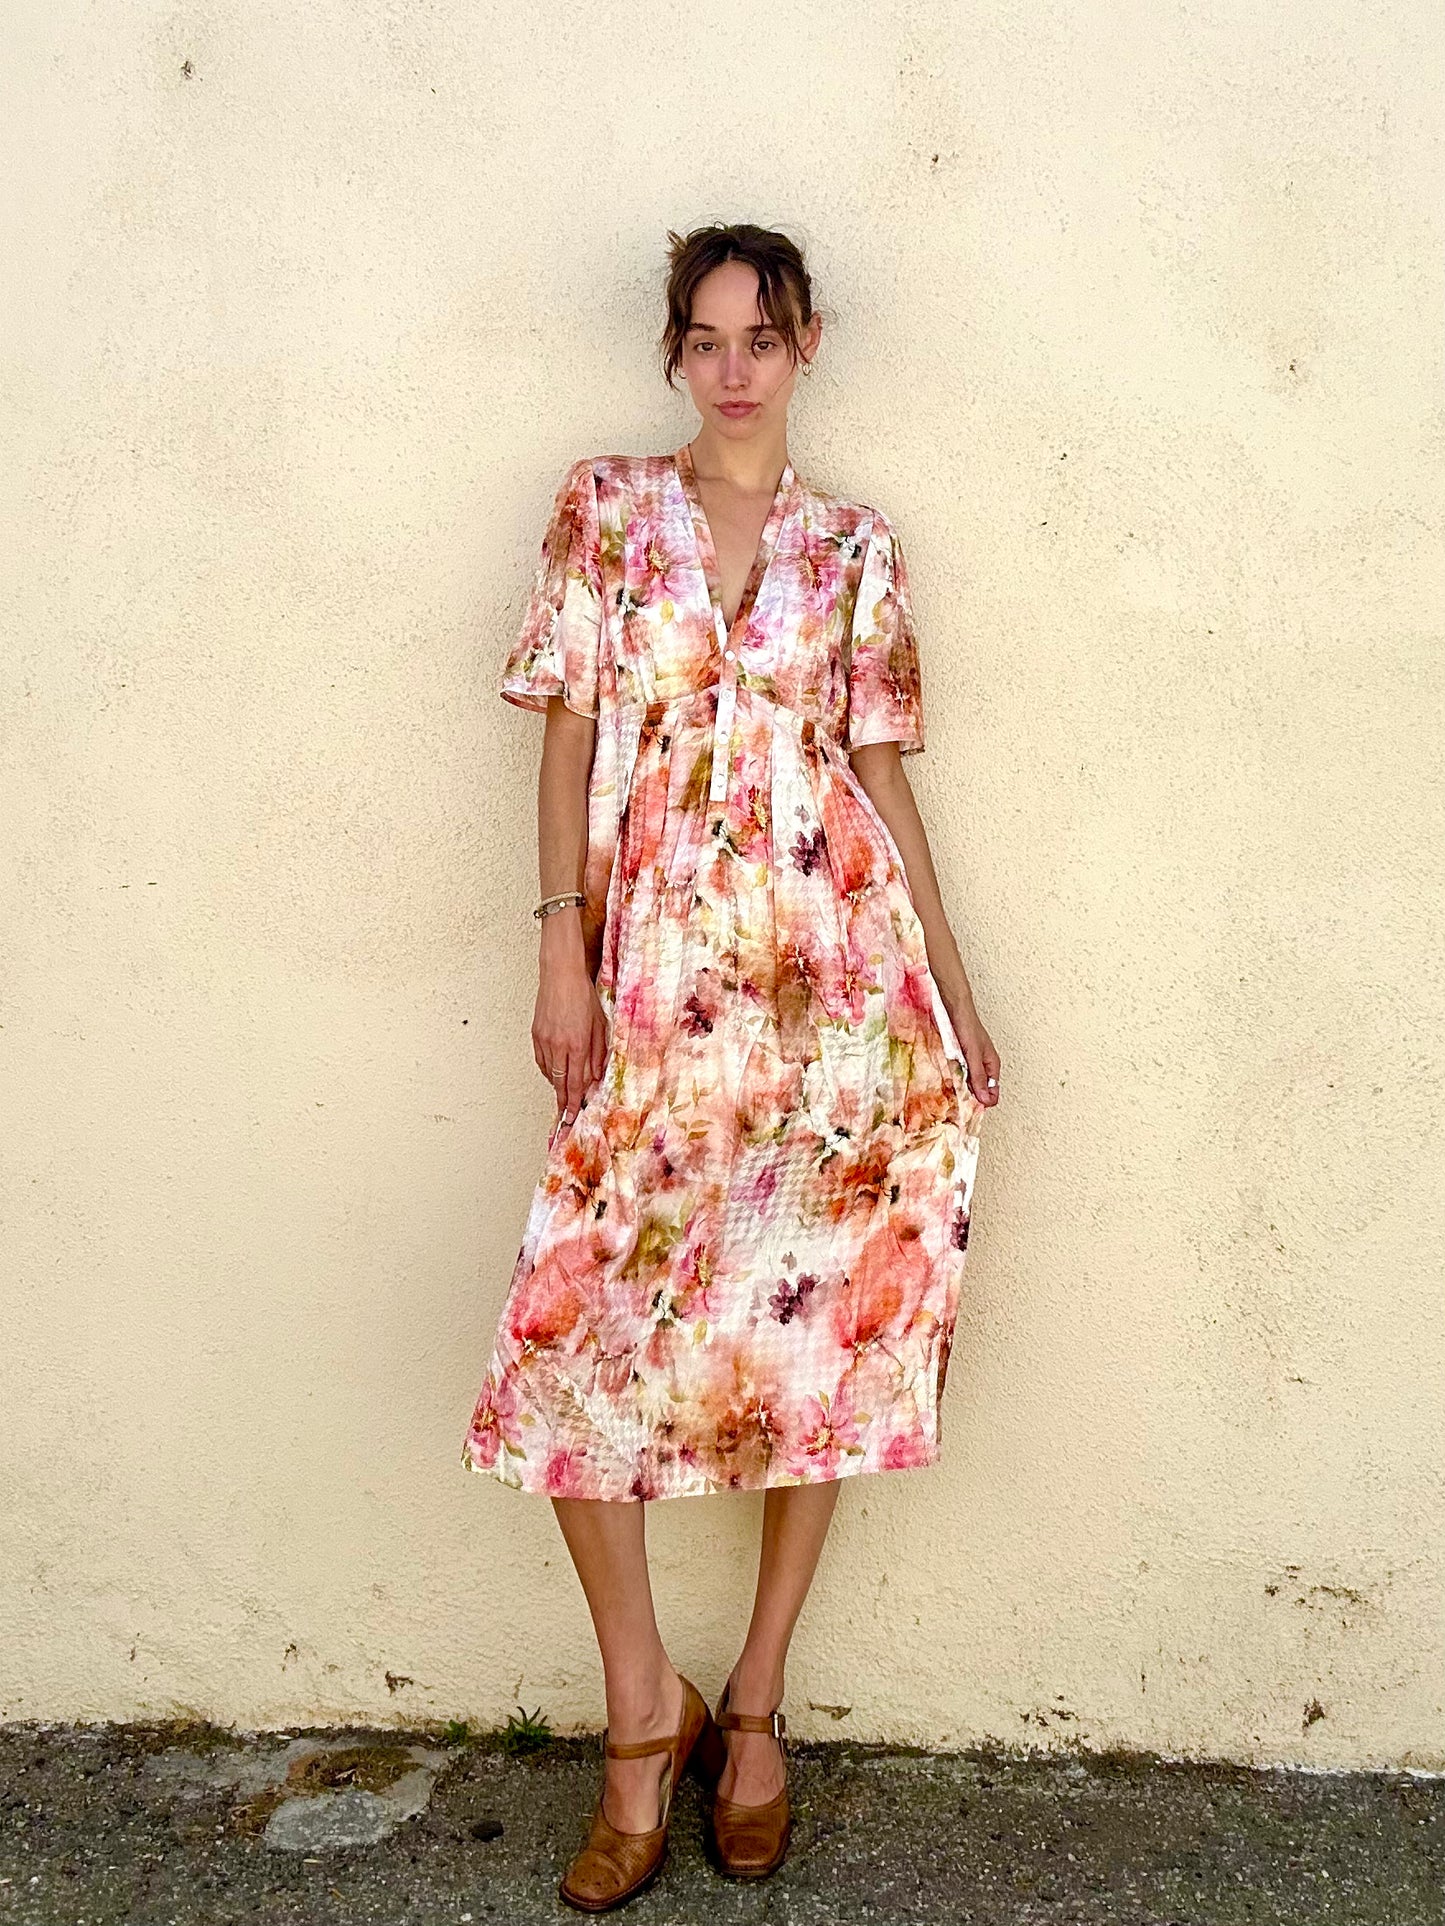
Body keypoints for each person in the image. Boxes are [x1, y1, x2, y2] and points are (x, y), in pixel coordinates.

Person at [461, 221, 1001, 1912]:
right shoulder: (606, 513)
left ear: (808, 342)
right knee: (577, 1326)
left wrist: (955, 996)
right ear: (672, 355)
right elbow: (566, 730)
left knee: (832, 1326)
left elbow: (881, 777)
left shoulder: (854, 547)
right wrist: (561, 939)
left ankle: (753, 1704)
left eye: (762, 334)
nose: (735, 364)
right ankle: (645, 1712)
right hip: (654, 981)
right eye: (704, 337)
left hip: (839, 988)